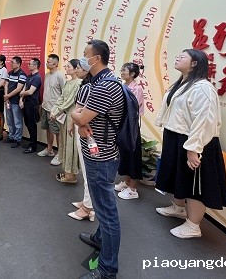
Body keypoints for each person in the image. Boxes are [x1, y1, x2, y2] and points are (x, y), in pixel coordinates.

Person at [155, 49, 226, 238]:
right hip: (178, 137)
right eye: (178, 55)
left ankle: (193, 225)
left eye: (183, 56)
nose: (177, 57)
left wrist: (194, 148)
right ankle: (178, 208)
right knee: (180, 177)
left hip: (195, 141)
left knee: (195, 184)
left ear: (195, 63)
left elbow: (204, 120)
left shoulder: (202, 88)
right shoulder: (182, 83)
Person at [72, 40, 124, 279]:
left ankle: (107, 270)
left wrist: (77, 117)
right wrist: (80, 117)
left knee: (107, 212)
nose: (83, 59)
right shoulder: (101, 82)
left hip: (101, 156)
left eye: (86, 55)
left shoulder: (105, 87)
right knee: (102, 205)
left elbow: (81, 117)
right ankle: (100, 238)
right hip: (100, 153)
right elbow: (82, 115)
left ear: (97, 58)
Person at [115, 62, 145, 200]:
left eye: (124, 70)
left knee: (133, 156)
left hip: (131, 126)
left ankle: (133, 188)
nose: (122, 72)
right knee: (125, 154)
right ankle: (126, 182)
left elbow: (133, 109)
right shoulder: (123, 86)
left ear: (133, 74)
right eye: (121, 70)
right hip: (122, 124)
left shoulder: (137, 89)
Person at [50, 59, 82, 183]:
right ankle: (68, 171)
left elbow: (69, 101)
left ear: (75, 69)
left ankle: (71, 174)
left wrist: (57, 111)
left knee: (71, 144)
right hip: (65, 115)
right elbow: (62, 98)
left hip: (72, 116)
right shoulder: (68, 82)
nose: (66, 68)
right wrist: (54, 110)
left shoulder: (79, 83)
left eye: (69, 66)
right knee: (65, 142)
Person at [69, 63, 94, 221]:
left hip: (86, 132)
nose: (76, 69)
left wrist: (71, 122)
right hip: (90, 133)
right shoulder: (91, 86)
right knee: (88, 170)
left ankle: (88, 208)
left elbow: (78, 112)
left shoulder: (87, 88)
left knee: (88, 170)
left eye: (78, 67)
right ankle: (87, 202)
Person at [37, 54, 65, 164]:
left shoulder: (60, 76)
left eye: (48, 62)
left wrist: (60, 109)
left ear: (55, 64)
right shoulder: (47, 75)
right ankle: (49, 149)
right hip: (45, 107)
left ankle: (60, 154)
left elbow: (64, 94)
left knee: (57, 132)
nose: (46, 63)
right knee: (48, 129)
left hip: (55, 109)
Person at [20, 58, 42, 153]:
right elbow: (25, 89)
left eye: (30, 64)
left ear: (35, 66)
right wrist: (21, 99)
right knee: (27, 123)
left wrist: (21, 94)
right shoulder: (29, 76)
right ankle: (31, 142)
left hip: (32, 103)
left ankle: (33, 146)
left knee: (32, 124)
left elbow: (30, 92)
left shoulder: (37, 77)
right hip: (26, 102)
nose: (28, 65)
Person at [3, 56, 26, 148]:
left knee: (17, 121)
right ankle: (11, 136)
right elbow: (6, 85)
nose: (11, 64)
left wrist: (8, 96)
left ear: (18, 64)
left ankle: (17, 139)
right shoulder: (10, 73)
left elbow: (18, 89)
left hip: (16, 101)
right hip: (8, 100)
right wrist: (6, 96)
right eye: (11, 62)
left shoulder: (22, 74)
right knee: (10, 121)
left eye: (13, 62)